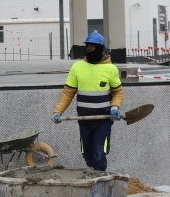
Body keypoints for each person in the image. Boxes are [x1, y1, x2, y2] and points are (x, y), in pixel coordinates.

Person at [51, 31, 123, 171]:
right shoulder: (77, 67)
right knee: (87, 155)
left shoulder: (110, 69)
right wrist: (57, 111)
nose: (89, 49)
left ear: (101, 49)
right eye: (88, 46)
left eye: (92, 46)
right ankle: (94, 170)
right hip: (84, 119)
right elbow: (68, 93)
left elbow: (118, 92)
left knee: (99, 154)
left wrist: (115, 107)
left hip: (103, 120)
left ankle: (100, 180)